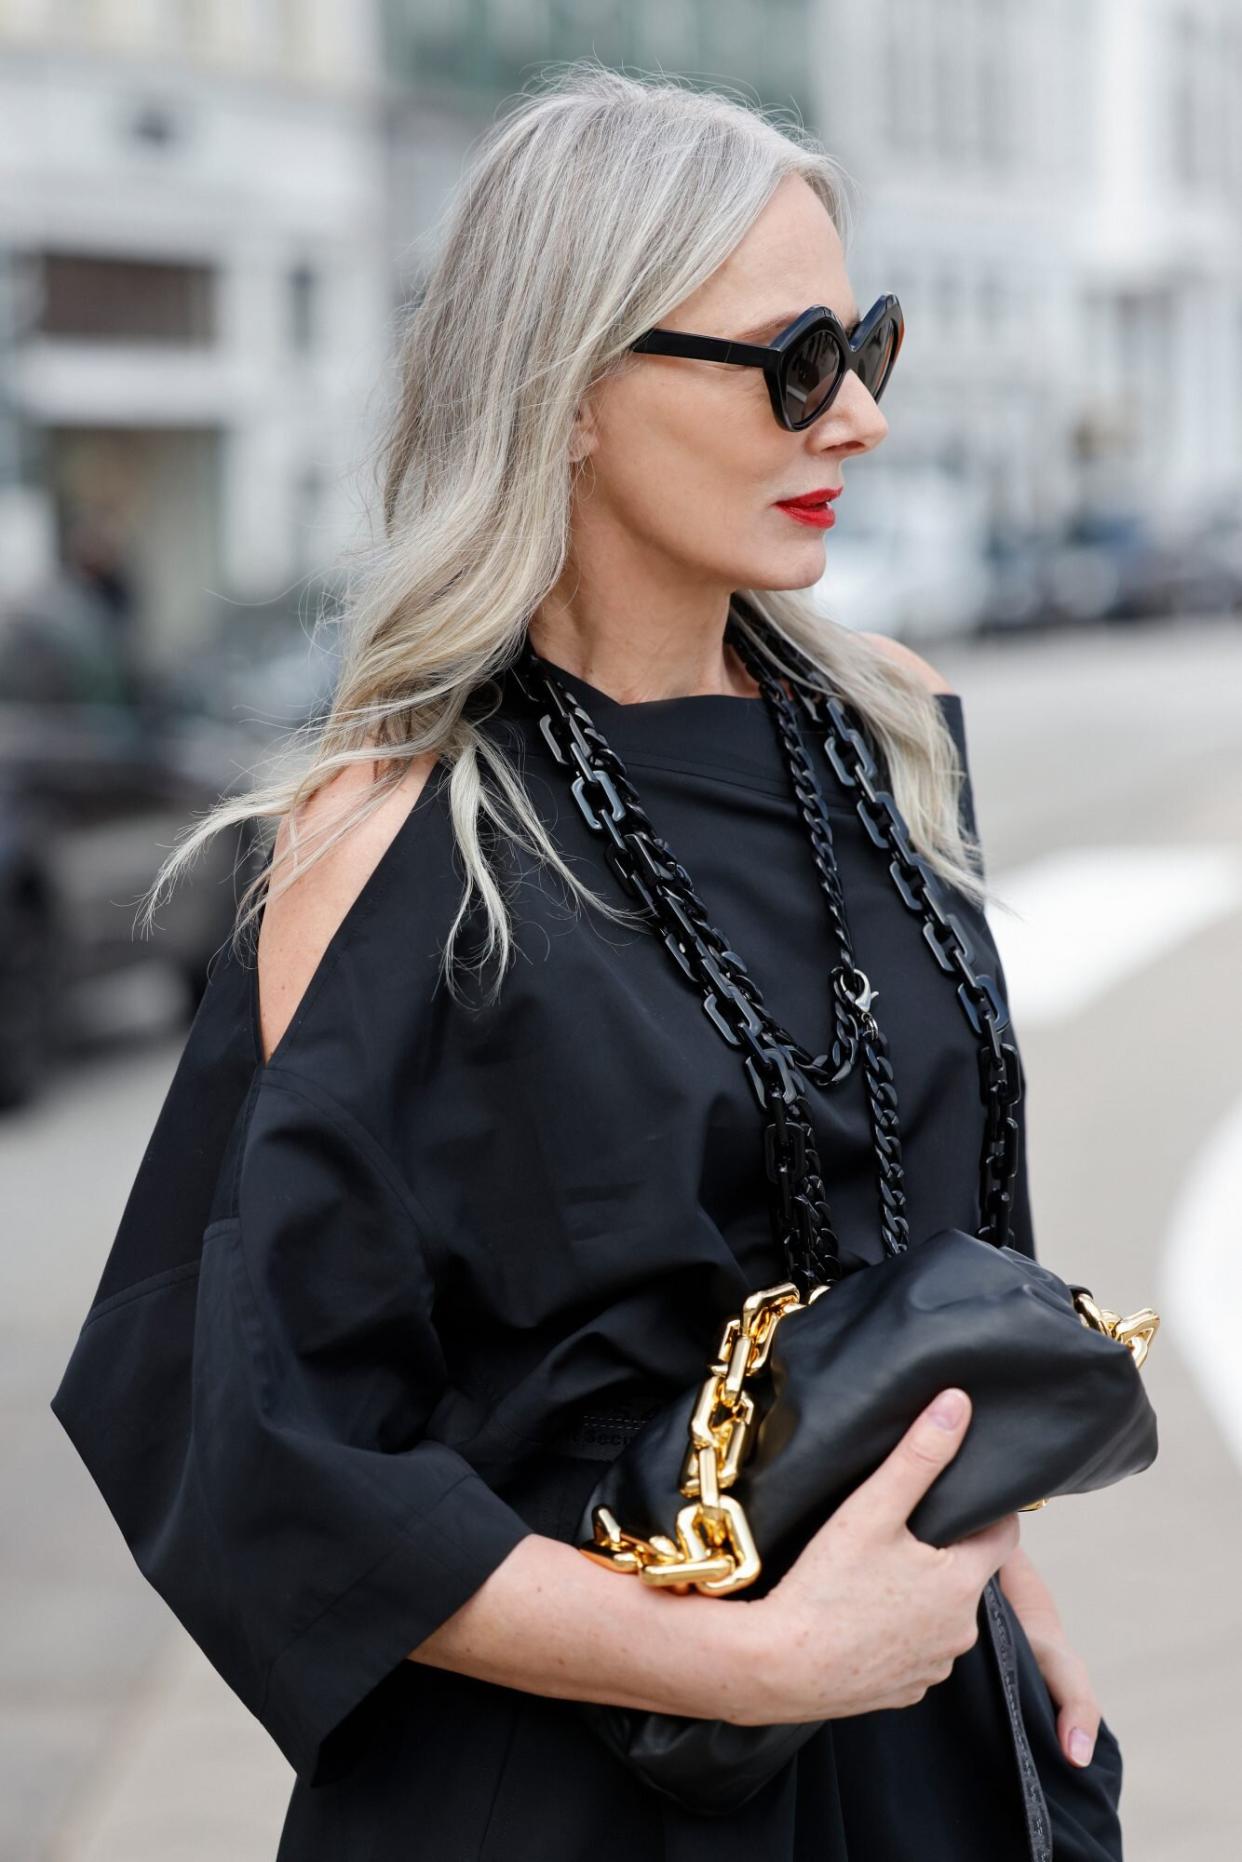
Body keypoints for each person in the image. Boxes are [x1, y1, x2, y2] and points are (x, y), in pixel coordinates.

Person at [50, 62, 1126, 1862]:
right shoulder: (392, 840)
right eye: (793, 362)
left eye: (869, 343)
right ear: (565, 392)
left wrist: (992, 1570)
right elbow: (266, 1454)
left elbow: (920, 1254)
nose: (853, 416)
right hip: (572, 1788)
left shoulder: (895, 730)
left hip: (919, 1732)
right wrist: (761, 1658)